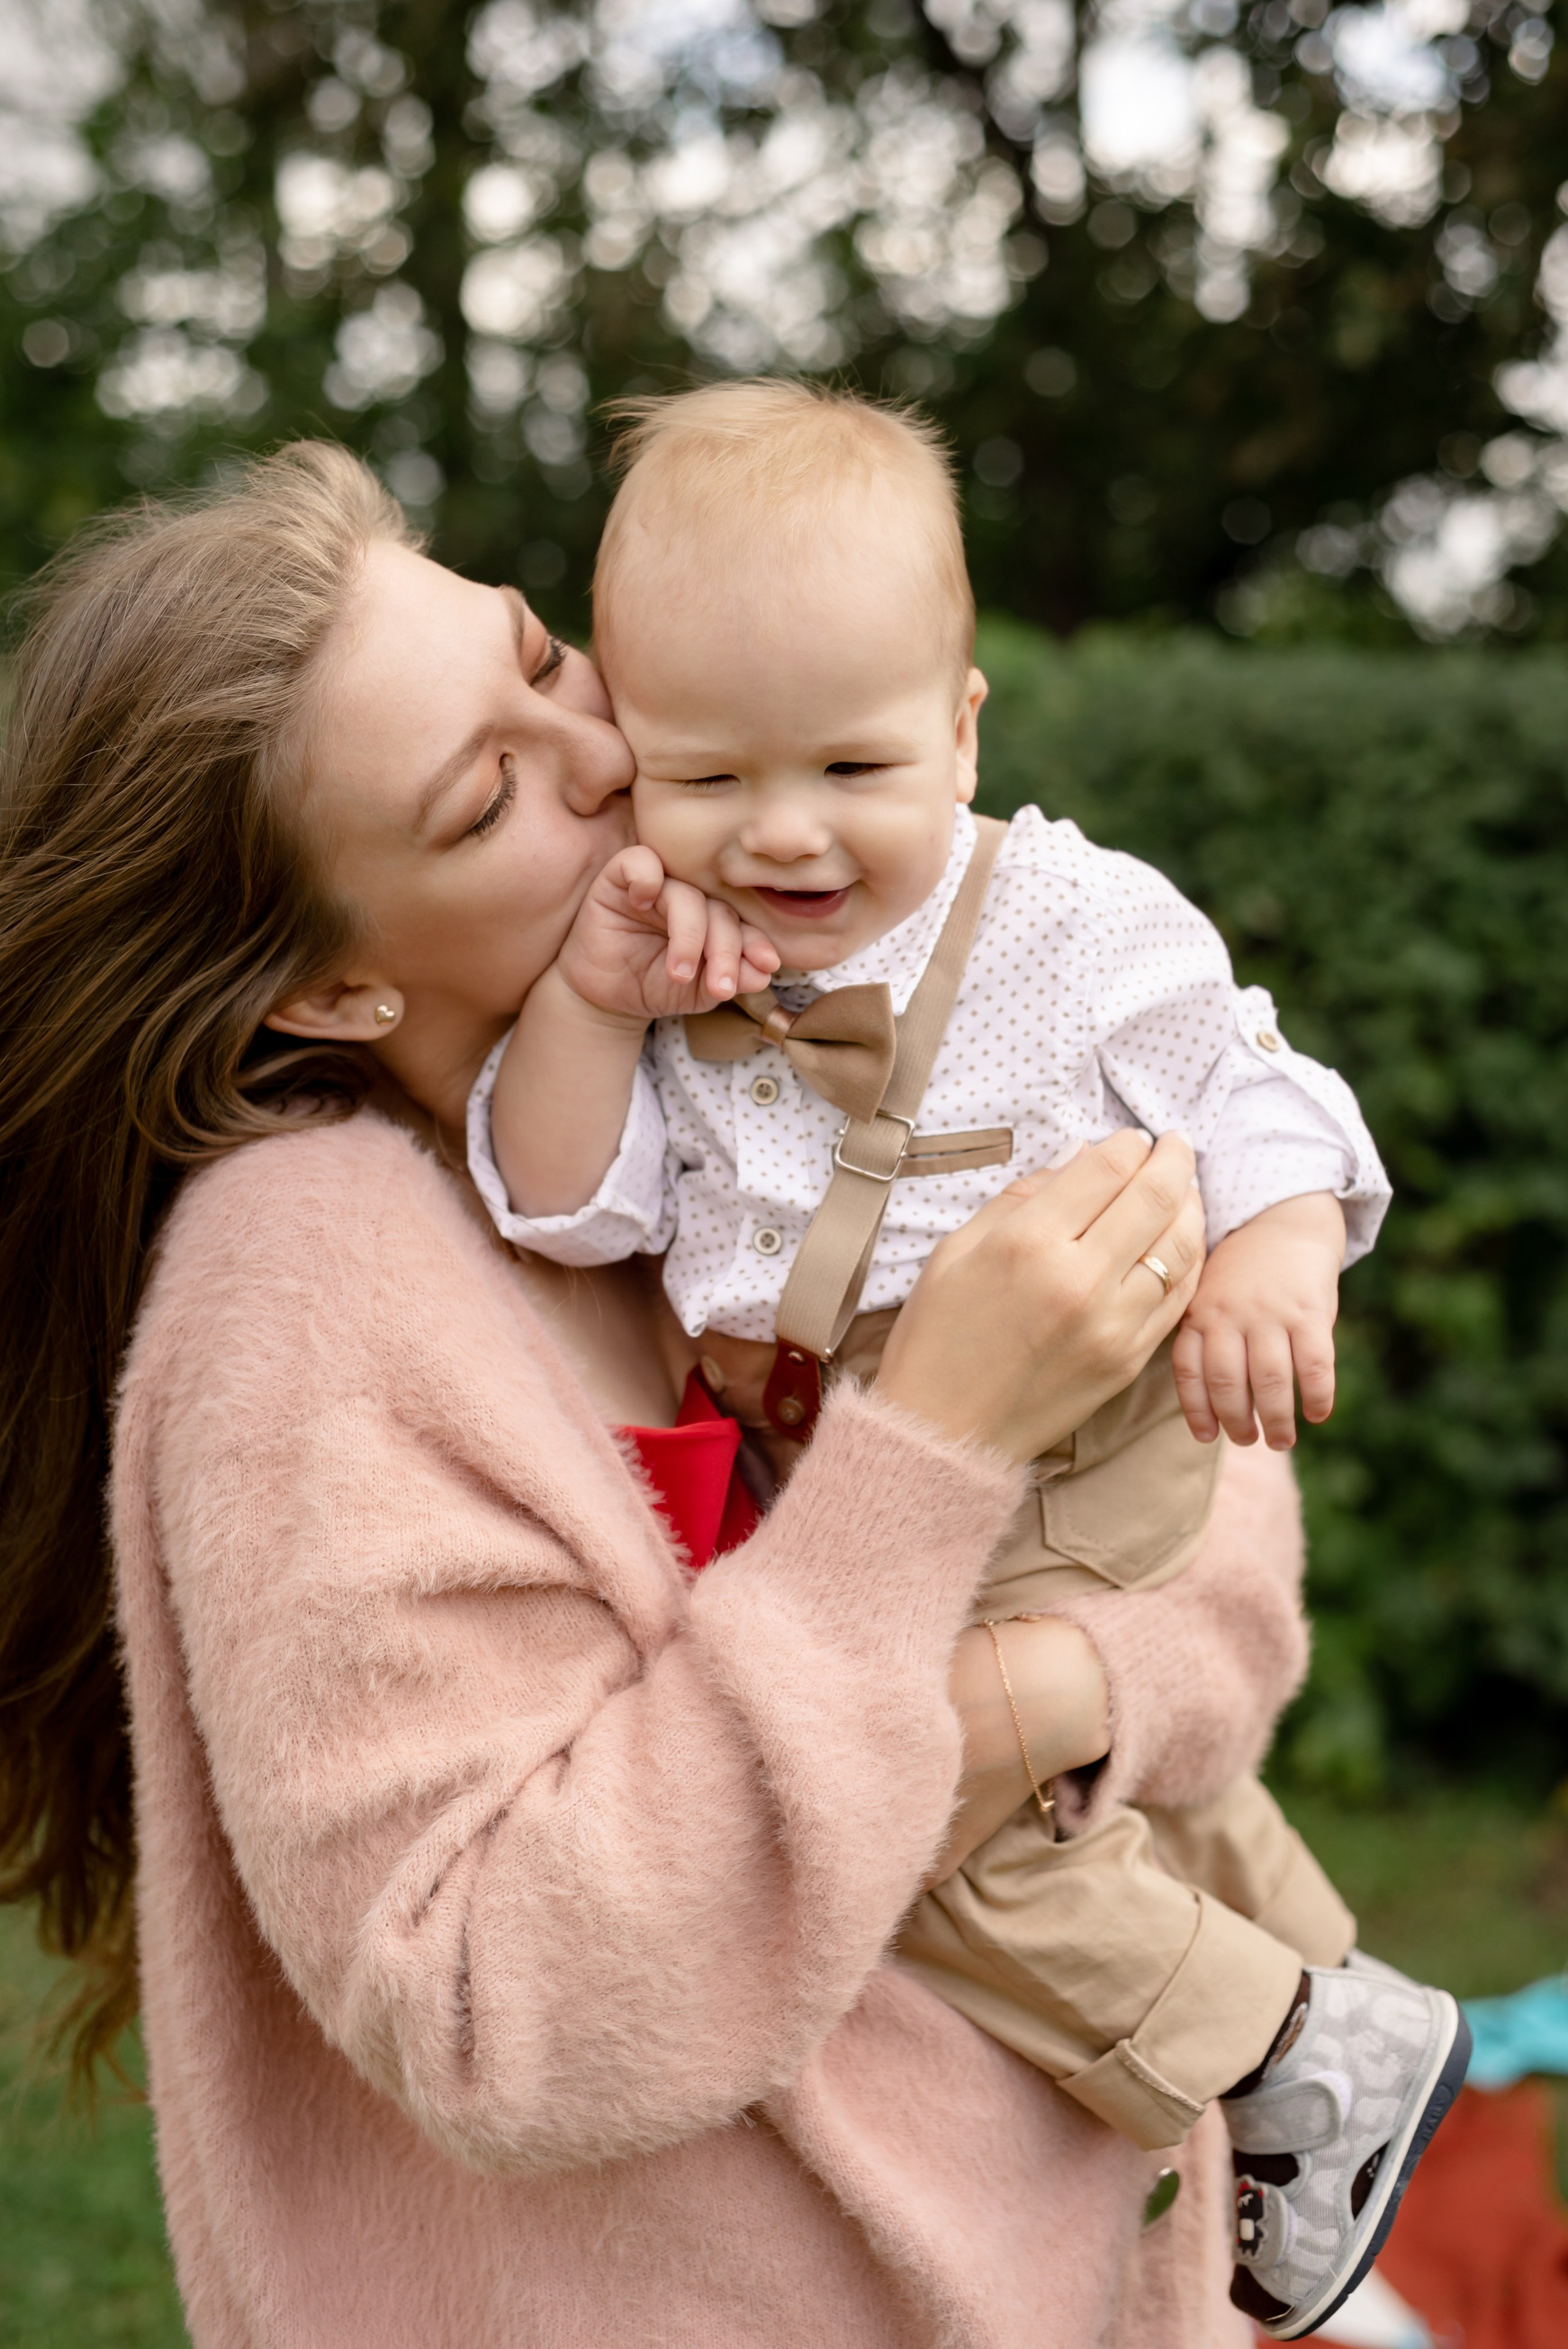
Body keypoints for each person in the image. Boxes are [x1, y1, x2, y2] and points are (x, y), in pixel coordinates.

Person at [4, 441, 1321, 2349]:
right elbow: (498, 2000)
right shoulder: (305, 1292)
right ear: (332, 985)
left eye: (542, 660)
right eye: (486, 795)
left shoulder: (742, 1072)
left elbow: (1221, 1521)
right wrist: (933, 1454)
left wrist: (1048, 1689)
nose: (606, 758)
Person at [473, 381, 1469, 2340]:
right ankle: (1324, 1957)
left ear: (963, 723)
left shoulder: (1076, 924)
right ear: (636, 764)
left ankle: (1289, 2047)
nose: (782, 831)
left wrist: (1273, 1254)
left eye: (853, 762)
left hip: (1072, 1437)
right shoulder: (666, 968)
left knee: (915, 1808)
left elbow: (1257, 1089)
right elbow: (562, 1201)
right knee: (1062, 1779)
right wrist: (594, 1007)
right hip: (857, 1453)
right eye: (705, 776)